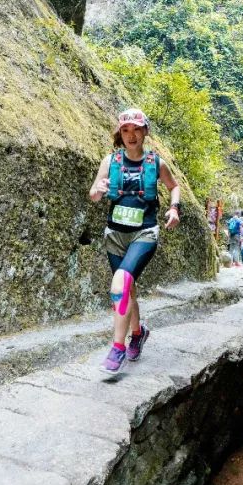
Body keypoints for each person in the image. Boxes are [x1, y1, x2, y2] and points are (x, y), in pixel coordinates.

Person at [89, 108, 181, 373]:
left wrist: (174, 208)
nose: (131, 135)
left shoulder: (156, 163)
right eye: (126, 130)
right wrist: (99, 189)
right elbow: (93, 194)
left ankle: (117, 348)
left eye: (136, 129)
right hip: (115, 235)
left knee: (120, 284)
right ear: (120, 133)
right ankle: (138, 333)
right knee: (128, 290)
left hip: (145, 233)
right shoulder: (110, 161)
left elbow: (174, 186)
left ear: (145, 132)